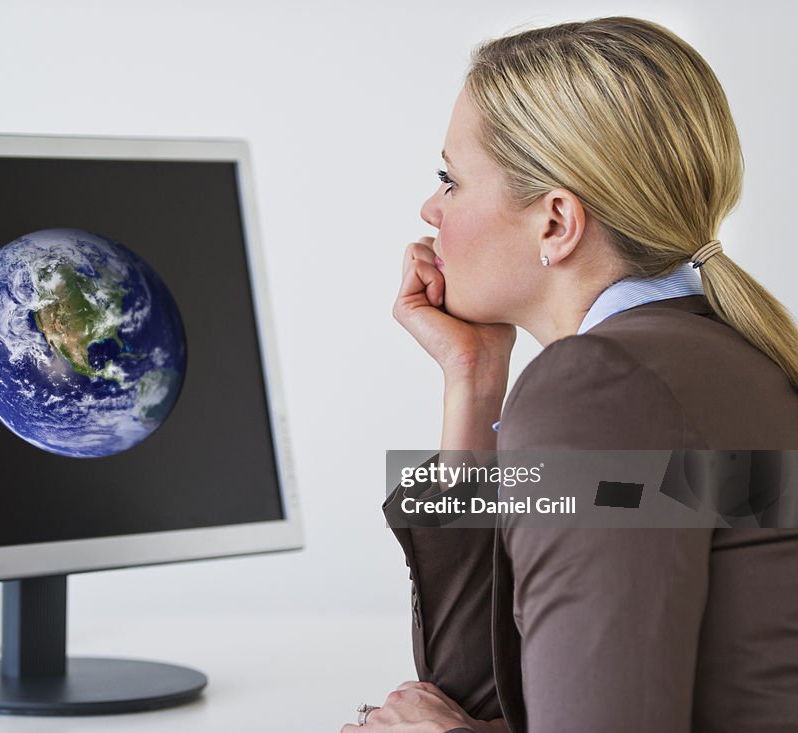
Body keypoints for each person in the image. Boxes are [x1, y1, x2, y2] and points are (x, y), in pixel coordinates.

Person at [340, 16, 798, 733]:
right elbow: (491, 691)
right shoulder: (720, 354)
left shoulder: (603, 391)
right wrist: (475, 378)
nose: (431, 209)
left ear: (556, 222)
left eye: (450, 179)